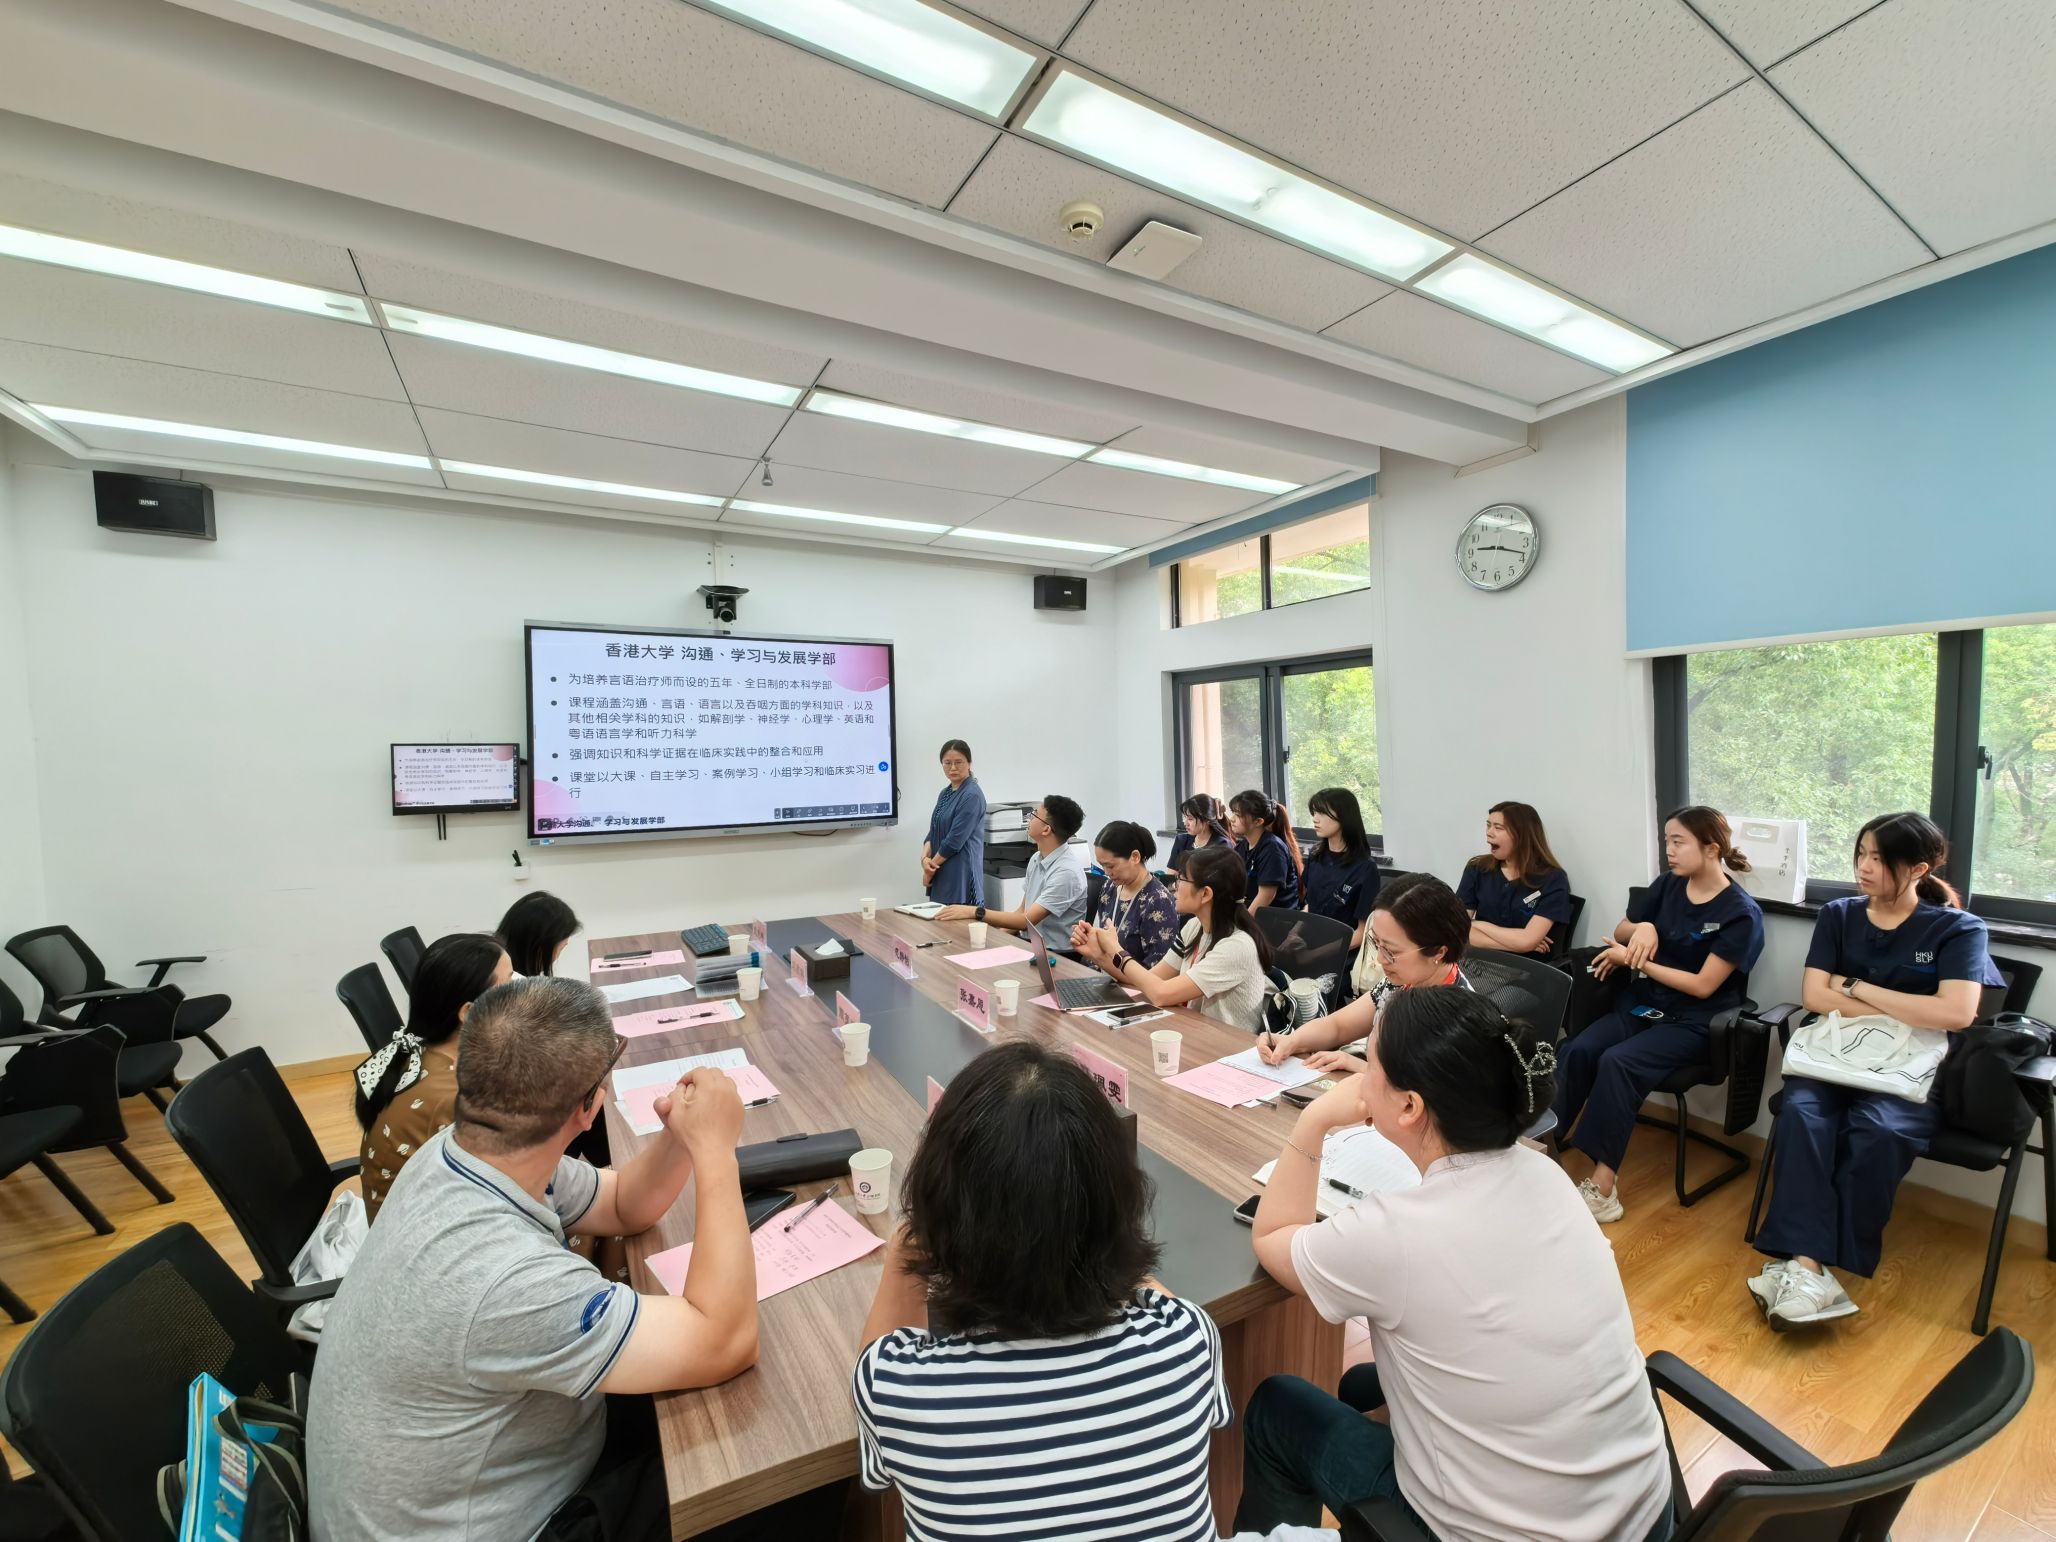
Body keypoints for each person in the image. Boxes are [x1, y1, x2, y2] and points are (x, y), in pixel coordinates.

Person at [309, 975, 799, 1542]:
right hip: (502, 1526)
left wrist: (682, 1133)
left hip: (465, 1476)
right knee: (765, 1470)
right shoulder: (507, 1278)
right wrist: (716, 1150)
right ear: (588, 1108)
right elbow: (728, 1342)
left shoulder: (461, 1152)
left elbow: (624, 1204)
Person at [1239, 989, 1671, 1540]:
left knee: (1278, 1407)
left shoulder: (1395, 1233)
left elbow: (1273, 1237)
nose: (1360, 1076)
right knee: (1363, 1384)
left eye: (1369, 1062)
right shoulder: (1548, 1175)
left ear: (1410, 1107)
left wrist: (1316, 1119)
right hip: (1645, 1514)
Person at [853, 1041, 1231, 1541]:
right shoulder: (1188, 1342)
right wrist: (1103, 1234)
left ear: (939, 1208)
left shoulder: (899, 1390)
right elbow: (1140, 1282)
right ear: (1119, 1195)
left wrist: (914, 1239)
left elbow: (881, 1353)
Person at [1747, 812, 2003, 1331]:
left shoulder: (1958, 928)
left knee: (1880, 1131)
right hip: (1832, 1055)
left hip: (1908, 1068)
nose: (1863, 867)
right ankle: (1810, 1269)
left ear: (1918, 869)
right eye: (1861, 853)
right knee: (1802, 1115)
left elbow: (1957, 1014)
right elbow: (1814, 996)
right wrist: (1912, 1006)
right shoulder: (1839, 915)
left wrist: (1855, 986)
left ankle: (1805, 1267)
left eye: (1879, 859)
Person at [1554, 808, 1765, 1226]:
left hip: (1695, 1021)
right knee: (1578, 1049)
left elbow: (1703, 986)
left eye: (1678, 841)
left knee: (1619, 1061)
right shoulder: (1669, 884)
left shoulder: (1740, 913)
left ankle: (1603, 1189)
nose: (1668, 850)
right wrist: (1643, 929)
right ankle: (1541, 1148)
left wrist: (1638, 962)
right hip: (1645, 1004)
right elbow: (1623, 928)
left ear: (1711, 848)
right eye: (1666, 840)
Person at [356, 932, 511, 1223]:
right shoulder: (454, 1097)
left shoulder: (422, 1050)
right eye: (510, 986)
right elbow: (505, 1185)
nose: (520, 995)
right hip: (419, 1236)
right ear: (469, 1012)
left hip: (427, 1214)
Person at [1258, 872, 1472, 1072]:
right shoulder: (1401, 983)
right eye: (1376, 943)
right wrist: (1291, 1041)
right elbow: (1338, 1026)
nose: (1380, 959)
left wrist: (1358, 1066)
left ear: (1439, 952)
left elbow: (1425, 1090)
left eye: (1391, 951)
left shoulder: (1458, 1018)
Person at [1075, 844, 1274, 1031]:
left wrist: (1116, 950)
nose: (1174, 886)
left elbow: (1161, 994)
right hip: (1196, 1032)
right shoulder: (1195, 926)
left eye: (1181, 880)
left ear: (1205, 894)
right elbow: (1150, 980)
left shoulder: (1237, 946)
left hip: (1227, 1046)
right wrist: (1099, 956)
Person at [937, 794, 1085, 951]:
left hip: (1056, 954)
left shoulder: (1066, 872)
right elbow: (1021, 912)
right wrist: (993, 940)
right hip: (1030, 944)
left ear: (1046, 829)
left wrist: (975, 912)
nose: (1029, 818)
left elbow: (1025, 921)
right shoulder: (1037, 858)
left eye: (1034, 814)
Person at [1457, 802, 1572, 956]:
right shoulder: (1477, 868)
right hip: (1481, 960)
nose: (1489, 833)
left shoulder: (1553, 879)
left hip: (1527, 966)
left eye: (1498, 828)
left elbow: (1527, 941)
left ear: (1521, 835)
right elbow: (1456, 931)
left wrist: (1476, 925)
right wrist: (1519, 944)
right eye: (1488, 825)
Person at [1071, 818, 1180, 968]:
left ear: (1135, 857)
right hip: (1106, 974)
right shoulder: (1110, 888)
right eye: (1102, 865)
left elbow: (1155, 972)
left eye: (1110, 866)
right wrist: (1091, 940)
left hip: (1137, 982)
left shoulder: (1158, 901)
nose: (1106, 872)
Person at [1299, 787, 1380, 947]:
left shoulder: (1365, 868)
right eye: (1314, 812)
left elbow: (1363, 931)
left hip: (1342, 950)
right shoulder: (1315, 856)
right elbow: (1311, 906)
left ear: (1344, 816)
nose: (1315, 819)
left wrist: (1317, 955)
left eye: (1322, 813)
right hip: (1310, 941)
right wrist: (1292, 934)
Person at [920, 739, 986, 907]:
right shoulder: (946, 793)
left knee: (958, 921)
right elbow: (934, 829)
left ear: (969, 763)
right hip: (940, 869)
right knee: (939, 919)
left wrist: (930, 869)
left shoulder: (972, 795)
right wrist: (924, 859)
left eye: (958, 762)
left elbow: (954, 840)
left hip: (961, 873)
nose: (953, 768)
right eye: (947, 763)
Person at [1230, 789, 1304, 912]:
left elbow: (1266, 897)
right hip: (1251, 911)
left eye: (1238, 815)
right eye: (1233, 813)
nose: (1232, 819)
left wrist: (1243, 922)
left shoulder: (1273, 848)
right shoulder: (1242, 847)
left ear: (1258, 821)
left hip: (1276, 918)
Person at [498, 890, 582, 977]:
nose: (556, 958)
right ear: (539, 947)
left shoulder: (495, 969)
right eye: (561, 948)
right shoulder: (511, 982)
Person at [1166, 791, 1233, 870]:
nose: (1185, 823)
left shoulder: (1222, 845)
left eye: (1190, 819)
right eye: (1184, 817)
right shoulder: (1181, 841)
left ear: (1207, 820)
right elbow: (1171, 875)